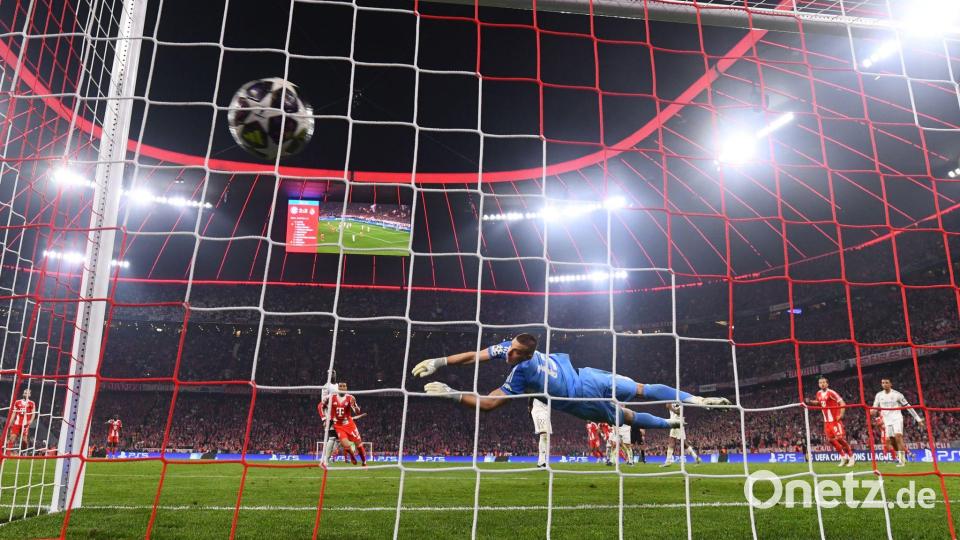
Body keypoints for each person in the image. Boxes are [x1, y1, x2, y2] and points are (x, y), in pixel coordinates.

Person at [412, 333, 729, 431]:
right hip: (587, 374)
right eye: (509, 349)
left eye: (514, 353)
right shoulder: (513, 349)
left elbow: (491, 404)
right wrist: (440, 362)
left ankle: (682, 415)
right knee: (641, 389)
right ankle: (690, 406)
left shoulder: (522, 373)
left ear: (526, 355)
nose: (508, 354)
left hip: (581, 399)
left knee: (629, 415)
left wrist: (453, 394)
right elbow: (475, 355)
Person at [872, 378, 923, 467]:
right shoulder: (879, 395)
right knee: (892, 441)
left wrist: (918, 419)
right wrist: (873, 411)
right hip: (887, 420)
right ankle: (901, 458)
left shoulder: (897, 395)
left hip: (897, 418)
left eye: (886, 383)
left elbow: (908, 406)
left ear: (890, 384)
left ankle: (902, 461)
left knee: (898, 437)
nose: (884, 384)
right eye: (883, 383)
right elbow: (875, 407)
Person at [805, 376, 854, 467]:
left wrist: (841, 415)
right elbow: (819, 403)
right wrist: (810, 402)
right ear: (818, 384)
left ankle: (851, 457)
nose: (822, 384)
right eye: (820, 383)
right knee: (831, 440)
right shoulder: (818, 393)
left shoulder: (831, 392)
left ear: (827, 384)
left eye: (824, 382)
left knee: (840, 439)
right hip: (826, 422)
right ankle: (843, 457)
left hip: (834, 420)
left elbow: (842, 403)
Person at [318, 382, 367, 466]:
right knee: (345, 445)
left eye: (344, 386)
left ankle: (364, 462)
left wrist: (356, 408)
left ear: (346, 388)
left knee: (359, 445)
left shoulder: (350, 398)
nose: (342, 388)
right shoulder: (331, 397)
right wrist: (324, 419)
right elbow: (320, 406)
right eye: (340, 386)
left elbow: (357, 412)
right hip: (338, 425)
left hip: (349, 424)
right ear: (338, 388)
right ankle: (351, 456)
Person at [6, 388, 35, 455]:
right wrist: (10, 422)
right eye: (25, 393)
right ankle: (7, 453)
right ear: (23, 394)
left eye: (27, 393)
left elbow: (33, 413)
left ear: (30, 395)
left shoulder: (32, 403)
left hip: (25, 424)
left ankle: (23, 453)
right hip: (17, 423)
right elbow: (14, 413)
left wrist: (31, 420)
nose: (25, 394)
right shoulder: (17, 402)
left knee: (24, 440)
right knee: (12, 437)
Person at [528, 397, 551, 468]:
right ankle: (541, 462)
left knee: (546, 435)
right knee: (544, 435)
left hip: (545, 410)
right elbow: (531, 393)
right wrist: (529, 407)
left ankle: (542, 461)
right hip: (539, 409)